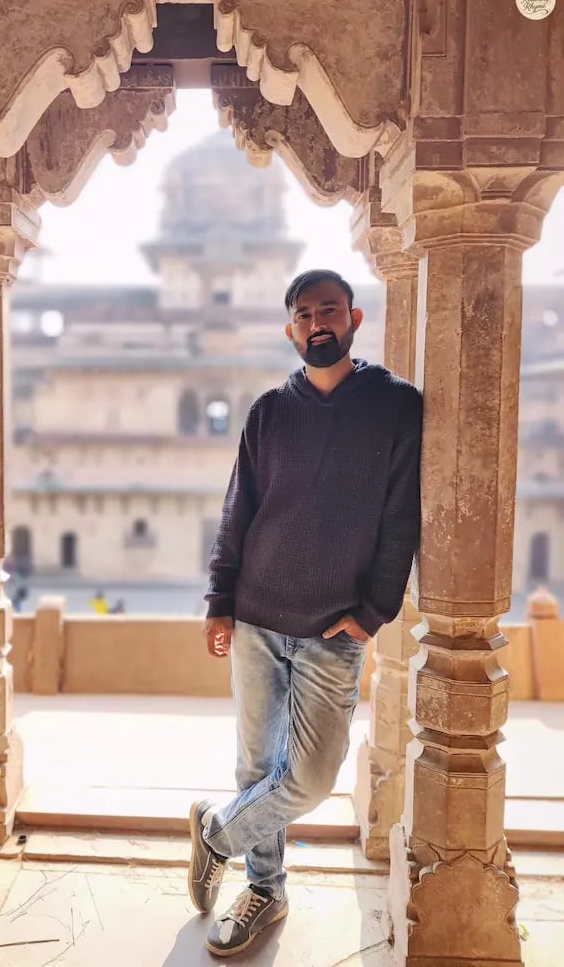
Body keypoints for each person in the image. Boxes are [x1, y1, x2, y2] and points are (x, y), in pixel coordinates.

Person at [187, 269, 422, 956]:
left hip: (332, 628)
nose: (317, 323)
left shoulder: (395, 407)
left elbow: (400, 517)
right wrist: (220, 602)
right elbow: (241, 510)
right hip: (258, 617)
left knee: (311, 778)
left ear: (353, 318)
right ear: (291, 330)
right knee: (255, 768)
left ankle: (215, 834)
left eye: (329, 310)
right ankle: (266, 889)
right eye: (303, 315)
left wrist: (374, 611)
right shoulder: (269, 410)